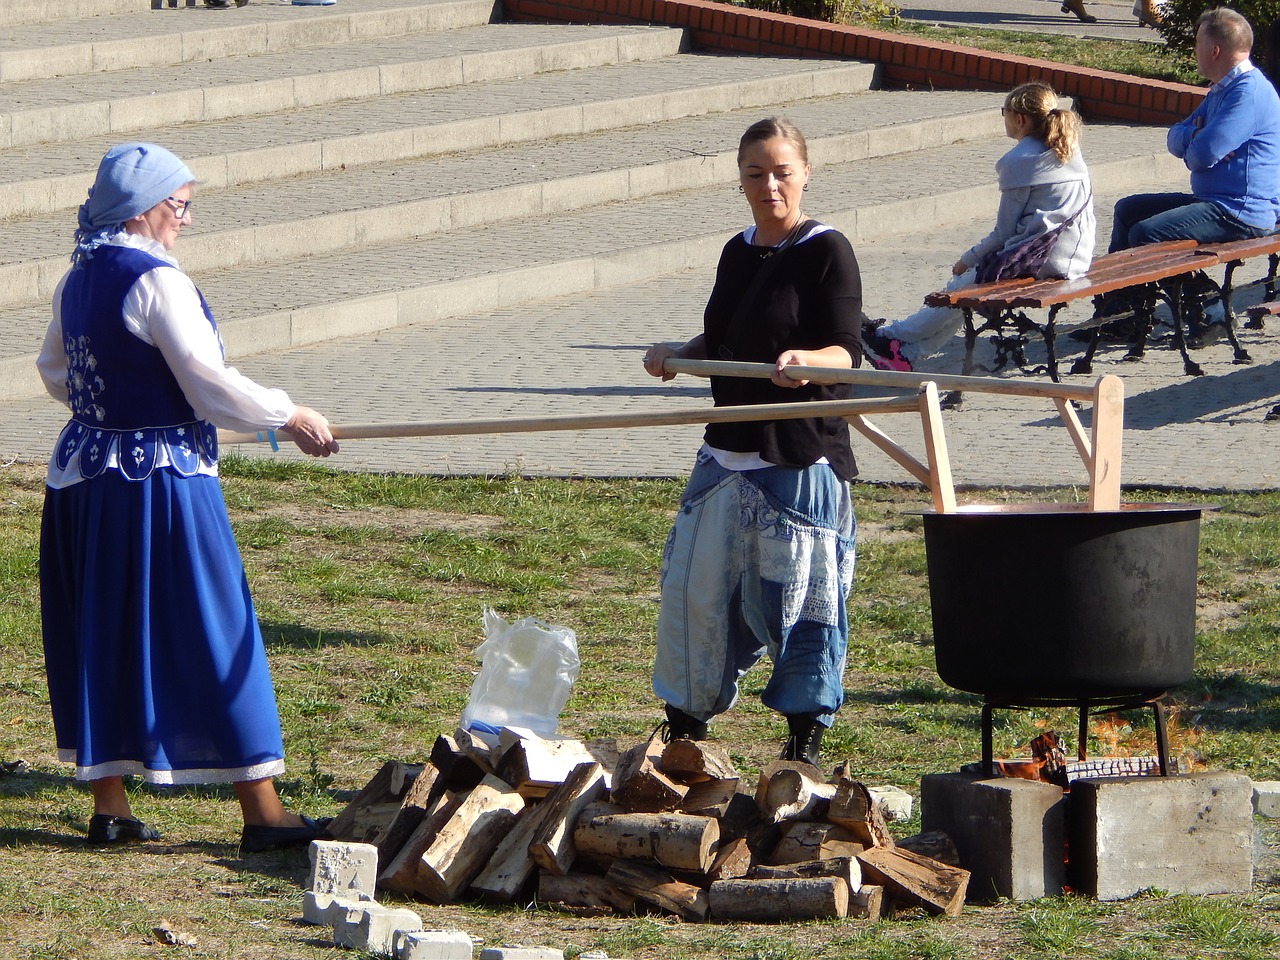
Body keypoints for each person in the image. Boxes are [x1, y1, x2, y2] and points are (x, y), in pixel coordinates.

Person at [37, 142, 340, 851]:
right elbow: (206, 382)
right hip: (161, 486)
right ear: (144, 209)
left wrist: (110, 407)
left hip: (84, 480)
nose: (187, 220)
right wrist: (287, 415)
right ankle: (264, 816)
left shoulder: (78, 276)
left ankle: (109, 808)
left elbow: (56, 372)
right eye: (180, 205)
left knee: (100, 631)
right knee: (213, 624)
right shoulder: (156, 281)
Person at [641, 118, 862, 769]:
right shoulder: (737, 251)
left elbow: (848, 351)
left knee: (802, 605)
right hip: (725, 458)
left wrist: (809, 360)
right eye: (755, 174)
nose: (769, 186)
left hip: (795, 462)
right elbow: (726, 341)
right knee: (695, 599)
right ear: (740, 181)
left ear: (805, 172)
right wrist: (679, 355)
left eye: (781, 171)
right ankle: (683, 729)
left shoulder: (827, 249)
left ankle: (802, 741)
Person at [864, 82, 1095, 372]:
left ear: (1020, 119)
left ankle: (889, 337)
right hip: (1076, 255)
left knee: (962, 285)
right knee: (967, 290)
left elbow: (1004, 234)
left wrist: (967, 258)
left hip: (1041, 261)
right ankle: (908, 353)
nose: (1004, 119)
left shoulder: (1019, 161)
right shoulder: (1068, 149)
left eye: (1004, 113)